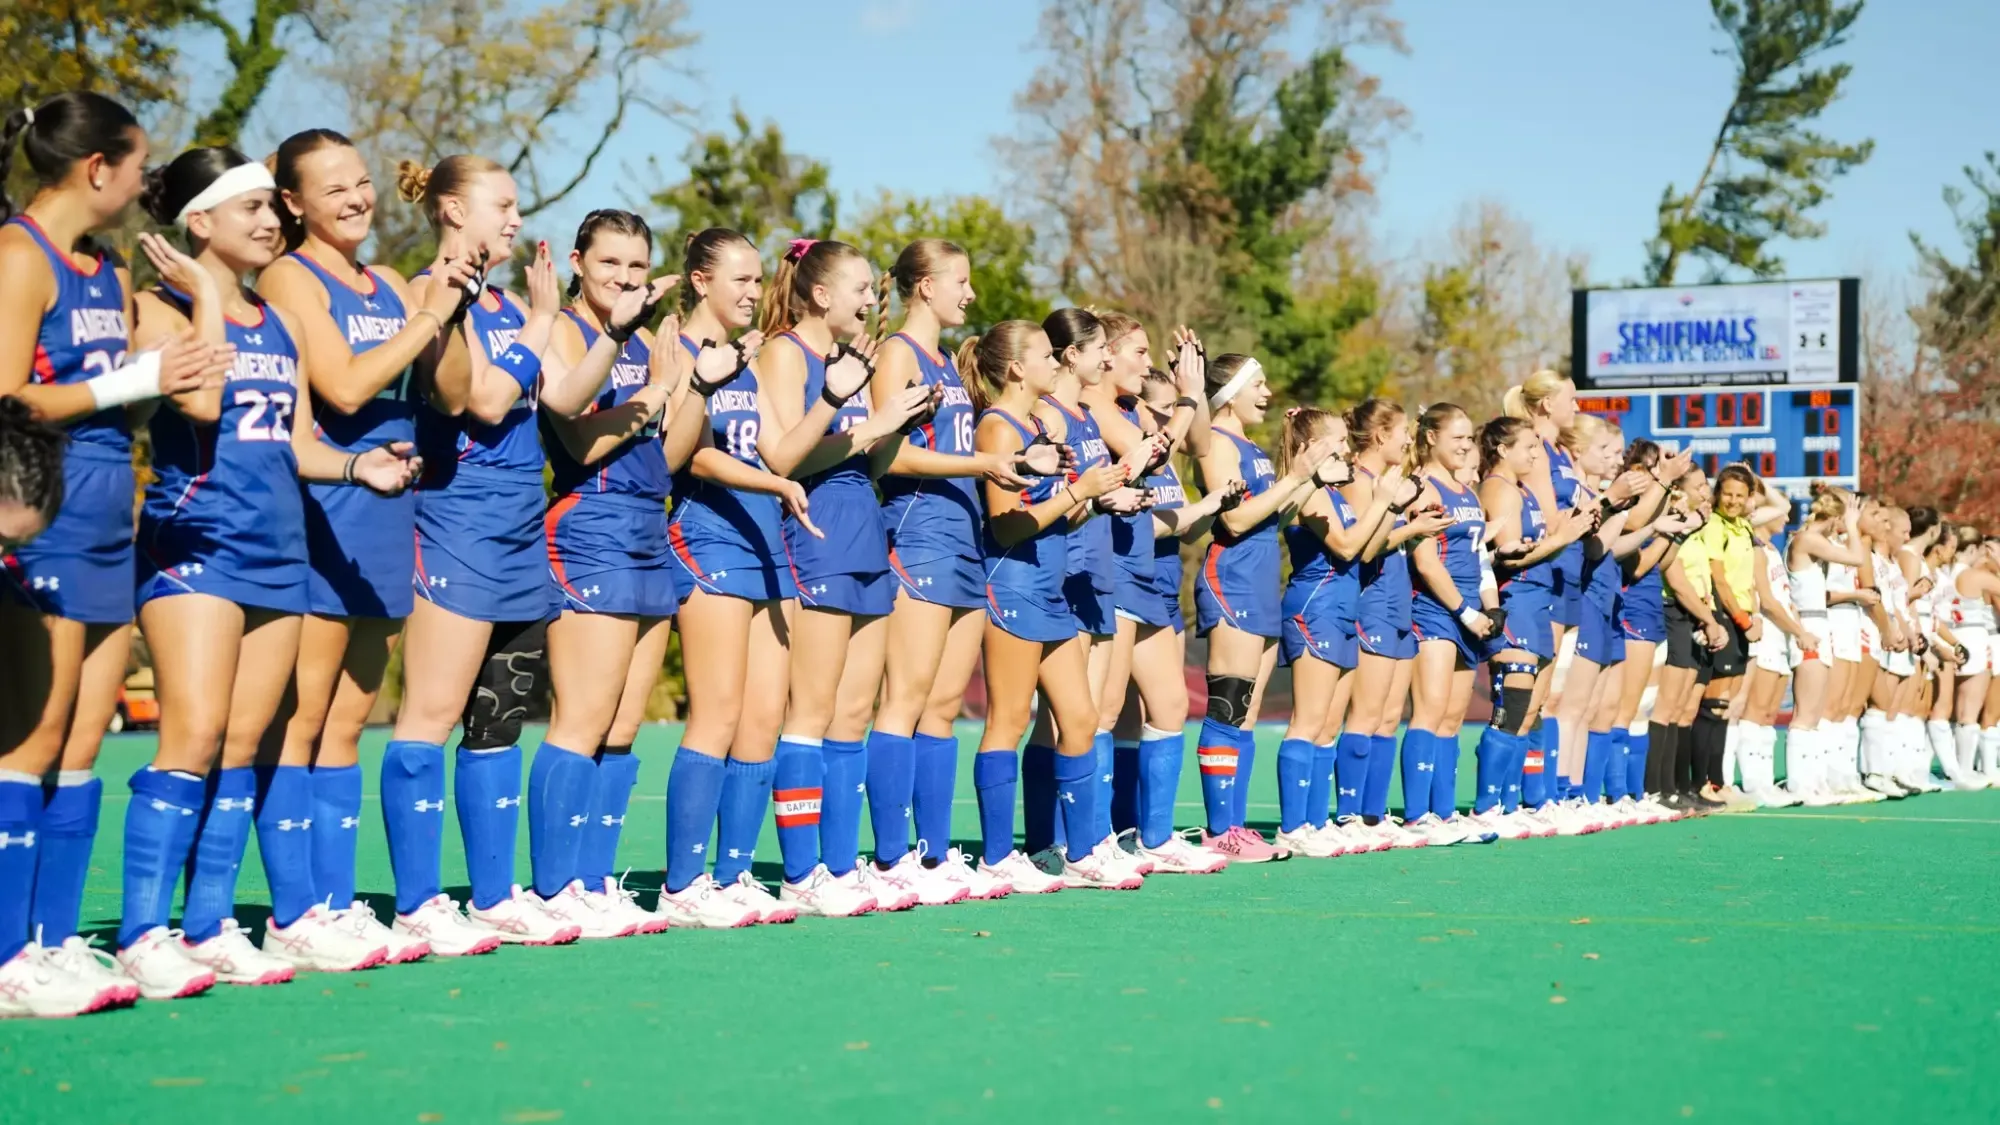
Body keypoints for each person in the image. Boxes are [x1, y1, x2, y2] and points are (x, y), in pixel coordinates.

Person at [120, 146, 424, 993]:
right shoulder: (156, 307)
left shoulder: (277, 320)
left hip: (279, 551)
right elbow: (203, 403)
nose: (268, 219)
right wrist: (210, 300)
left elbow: (293, 441)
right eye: (247, 206)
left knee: (248, 743)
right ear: (197, 222)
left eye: (269, 206)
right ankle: (144, 932)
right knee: (192, 737)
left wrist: (360, 467)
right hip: (197, 546)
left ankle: (209, 925)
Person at [386, 154, 658, 949]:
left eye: (513, 205)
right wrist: (545, 321)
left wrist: (614, 334)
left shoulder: (507, 302)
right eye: (499, 205)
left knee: (497, 720)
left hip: (517, 531)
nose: (514, 218)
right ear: (449, 210)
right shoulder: (430, 292)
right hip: (454, 525)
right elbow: (482, 399)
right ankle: (415, 900)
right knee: (430, 716)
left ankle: (497, 895)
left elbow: (567, 400)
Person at [0, 93, 233, 1015]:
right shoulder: (21, 256)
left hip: (108, 515)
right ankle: (8, 953)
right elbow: (10, 398)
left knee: (83, 747)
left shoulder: (102, 269)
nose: (147, 182)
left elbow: (127, 396)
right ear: (96, 168)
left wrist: (161, 379)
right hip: (43, 516)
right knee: (28, 744)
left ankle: (54, 945)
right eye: (138, 166)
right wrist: (138, 376)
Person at [257, 128, 474, 965]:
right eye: (332, 188)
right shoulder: (286, 274)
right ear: (293, 203)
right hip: (324, 503)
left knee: (349, 719)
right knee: (303, 717)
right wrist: (426, 317)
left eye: (360, 182)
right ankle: (292, 909)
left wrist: (445, 310)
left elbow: (448, 395)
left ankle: (337, 903)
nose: (355, 198)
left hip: (391, 510)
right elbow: (343, 382)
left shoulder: (388, 279)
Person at [663, 229, 843, 923]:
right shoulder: (677, 348)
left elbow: (783, 450)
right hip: (708, 535)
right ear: (701, 280)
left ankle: (733, 874)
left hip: (769, 546)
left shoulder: (745, 360)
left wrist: (832, 400)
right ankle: (684, 882)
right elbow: (694, 458)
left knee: (764, 717)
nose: (750, 291)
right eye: (737, 279)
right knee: (718, 711)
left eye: (755, 278)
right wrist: (771, 483)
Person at [539, 209, 706, 934]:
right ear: (579, 262)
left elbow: (666, 456)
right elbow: (578, 439)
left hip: (647, 525)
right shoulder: (567, 331)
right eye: (610, 265)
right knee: (582, 717)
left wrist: (690, 380)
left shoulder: (645, 340)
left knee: (624, 724)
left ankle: (593, 878)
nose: (626, 280)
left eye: (638, 268)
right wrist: (656, 394)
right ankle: (552, 888)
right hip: (590, 524)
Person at [756, 238, 933, 911]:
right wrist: (869, 419)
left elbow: (873, 464)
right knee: (812, 710)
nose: (871, 300)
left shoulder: (851, 361)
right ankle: (802, 874)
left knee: (854, 713)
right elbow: (786, 458)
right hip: (818, 537)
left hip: (866, 535)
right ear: (821, 294)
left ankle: (837, 864)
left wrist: (898, 425)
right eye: (861, 288)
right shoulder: (783, 352)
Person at [869, 240, 1024, 898]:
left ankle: (932, 857)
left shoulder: (946, 366)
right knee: (902, 701)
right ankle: (888, 857)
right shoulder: (898, 353)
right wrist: (981, 466)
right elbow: (888, 456)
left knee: (941, 708)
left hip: (964, 546)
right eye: (960, 281)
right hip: (919, 537)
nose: (971, 294)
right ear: (924, 286)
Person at [966, 320, 1130, 890]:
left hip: (1051, 588)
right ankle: (995, 857)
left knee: (1080, 718)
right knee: (1009, 720)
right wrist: (1076, 492)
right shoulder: (997, 426)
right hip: (1012, 585)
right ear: (1015, 368)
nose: (1055, 364)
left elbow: (1059, 510)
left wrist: (1096, 497)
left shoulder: (1041, 422)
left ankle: (1082, 852)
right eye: (1043, 355)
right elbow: (1006, 526)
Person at [1022, 309, 1155, 878]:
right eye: (1100, 348)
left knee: (1095, 714)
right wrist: (1092, 497)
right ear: (1070, 354)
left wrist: (1109, 500)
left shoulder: (1083, 414)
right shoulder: (1049, 414)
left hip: (1099, 568)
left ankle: (1087, 838)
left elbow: (1098, 487)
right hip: (1067, 572)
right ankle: (1044, 843)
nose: (1108, 358)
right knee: (1059, 721)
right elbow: (1049, 502)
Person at [1192, 355, 1335, 861]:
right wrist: (1292, 477)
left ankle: (1234, 826)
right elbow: (1232, 522)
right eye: (1258, 384)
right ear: (1229, 392)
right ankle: (1217, 831)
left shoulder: (1250, 446)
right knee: (1229, 706)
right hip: (1229, 579)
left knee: (1247, 717)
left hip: (1260, 584)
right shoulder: (1217, 443)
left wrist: (1311, 476)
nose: (1268, 392)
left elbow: (1272, 510)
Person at [1082, 315, 1211, 872]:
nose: (1145, 360)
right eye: (1136, 351)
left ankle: (1154, 838)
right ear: (1105, 355)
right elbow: (1149, 451)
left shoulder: (1136, 407)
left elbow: (1197, 441)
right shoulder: (1096, 408)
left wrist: (1195, 392)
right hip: (1107, 567)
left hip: (1142, 569)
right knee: (1104, 711)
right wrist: (1183, 401)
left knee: (1170, 705)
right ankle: (1094, 842)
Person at [1275, 406, 1395, 855]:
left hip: (1345, 609)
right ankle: (1293, 826)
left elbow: (1367, 548)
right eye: (1339, 441)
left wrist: (1392, 504)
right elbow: (1345, 547)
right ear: (1313, 447)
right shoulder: (1308, 492)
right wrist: (1382, 502)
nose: (1347, 449)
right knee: (1308, 720)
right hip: (1316, 607)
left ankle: (1315, 819)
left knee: (1328, 725)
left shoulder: (1340, 494)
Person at [1338, 399, 1445, 846]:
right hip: (1373, 603)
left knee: (1388, 718)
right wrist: (1410, 528)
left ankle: (1373, 814)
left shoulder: (1387, 481)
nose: (1408, 439)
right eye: (1403, 431)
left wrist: (1412, 517)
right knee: (1365, 715)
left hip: (1399, 602)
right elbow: (1365, 548)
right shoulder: (1360, 483)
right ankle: (1346, 815)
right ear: (1380, 435)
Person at [1404, 404, 1506, 845]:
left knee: (1452, 718)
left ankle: (1443, 813)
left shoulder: (1465, 491)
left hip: (1470, 615)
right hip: (1434, 611)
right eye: (1457, 438)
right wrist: (1464, 611)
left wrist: (1491, 607)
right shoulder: (1425, 489)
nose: (1466, 445)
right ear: (1430, 438)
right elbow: (1426, 562)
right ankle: (1415, 817)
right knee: (1429, 711)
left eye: (1469, 438)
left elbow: (1479, 555)